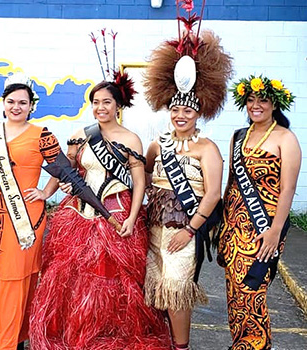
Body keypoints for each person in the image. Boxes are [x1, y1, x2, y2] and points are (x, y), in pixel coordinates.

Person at [29, 72, 171, 349]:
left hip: (117, 215)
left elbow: (139, 183)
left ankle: (107, 334)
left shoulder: (131, 139)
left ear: (118, 105)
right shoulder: (80, 136)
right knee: (71, 277)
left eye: (106, 102)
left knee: (110, 278)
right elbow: (65, 170)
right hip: (78, 216)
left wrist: (132, 218)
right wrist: (47, 192)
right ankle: (76, 333)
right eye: (95, 102)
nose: (100, 108)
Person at [142, 4, 233, 348]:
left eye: (188, 110)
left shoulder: (207, 148)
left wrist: (191, 229)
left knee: (178, 289)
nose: (181, 115)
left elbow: (212, 194)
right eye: (176, 109)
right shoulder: (157, 143)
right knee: (156, 287)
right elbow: (145, 173)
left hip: (185, 229)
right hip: (154, 227)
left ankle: (181, 346)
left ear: (199, 113)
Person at [0, 73, 61, 350]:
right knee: (1, 278)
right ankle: (14, 338)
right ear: (3, 103)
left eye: (22, 102)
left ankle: (7, 342)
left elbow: (63, 167)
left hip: (28, 218)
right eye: (11, 101)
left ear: (31, 105)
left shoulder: (42, 134)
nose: (16, 107)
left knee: (19, 278)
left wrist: (46, 192)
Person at [218, 76, 301, 350]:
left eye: (263, 100)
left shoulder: (285, 138)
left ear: (274, 103)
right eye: (251, 100)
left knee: (252, 288)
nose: (256, 105)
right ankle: (240, 343)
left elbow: (288, 190)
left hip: (264, 227)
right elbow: (231, 182)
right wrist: (222, 224)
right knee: (234, 293)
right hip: (233, 226)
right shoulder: (238, 136)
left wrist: (275, 233)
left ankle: (256, 344)